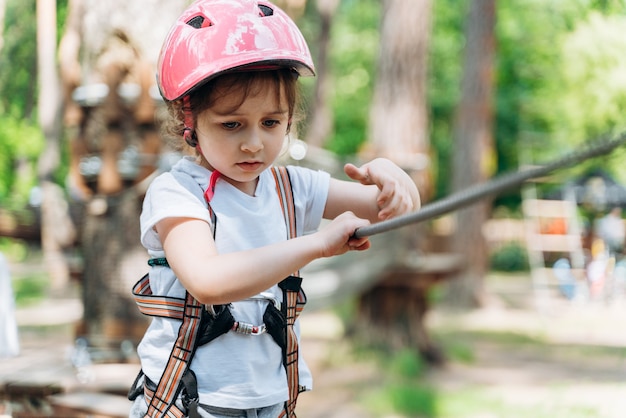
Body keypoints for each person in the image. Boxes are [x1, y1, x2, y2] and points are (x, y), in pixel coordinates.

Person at [128, 1, 420, 417]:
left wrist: (395, 177)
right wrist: (315, 246)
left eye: (271, 123)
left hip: (271, 400)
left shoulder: (291, 187)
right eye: (232, 124)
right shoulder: (177, 193)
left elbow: (390, 210)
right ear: (187, 118)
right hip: (191, 401)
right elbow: (208, 281)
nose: (253, 143)